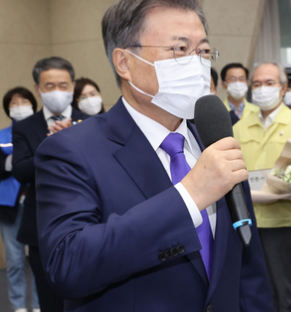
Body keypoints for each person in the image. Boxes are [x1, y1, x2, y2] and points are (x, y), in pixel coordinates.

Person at [33, 1, 273, 311]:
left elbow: (247, 258)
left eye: (202, 51)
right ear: (124, 62)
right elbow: (68, 264)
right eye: (178, 50)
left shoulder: (213, 134)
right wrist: (189, 196)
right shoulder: (70, 150)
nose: (195, 63)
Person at [233, 62, 291, 312]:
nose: (262, 89)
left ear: (283, 88)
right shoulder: (239, 127)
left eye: (269, 83)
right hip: (248, 222)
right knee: (254, 294)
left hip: (284, 222)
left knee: (287, 294)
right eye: (256, 84)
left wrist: (290, 188)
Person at [12, 56, 89, 312]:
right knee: (50, 301)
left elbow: (99, 169)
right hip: (40, 228)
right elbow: (22, 171)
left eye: (63, 85)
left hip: (89, 224)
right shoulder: (25, 127)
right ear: (38, 88)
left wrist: (73, 141)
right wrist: (52, 146)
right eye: (49, 86)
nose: (57, 92)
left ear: (73, 85)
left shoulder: (90, 123)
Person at [1, 87, 40, 312]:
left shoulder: (40, 131)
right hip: (9, 205)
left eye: (24, 101)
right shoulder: (1, 137)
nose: (19, 105)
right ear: (7, 108)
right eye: (14, 102)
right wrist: (16, 162)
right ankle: (17, 306)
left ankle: (37, 304)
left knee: (37, 259)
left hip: (37, 202)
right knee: (15, 261)